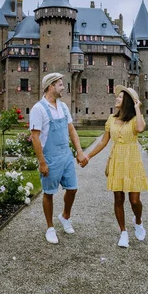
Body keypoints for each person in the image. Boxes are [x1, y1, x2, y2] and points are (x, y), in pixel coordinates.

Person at [82, 85, 148, 248]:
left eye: (120, 97)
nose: (116, 99)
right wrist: (88, 156)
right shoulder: (111, 118)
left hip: (132, 161)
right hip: (116, 161)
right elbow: (104, 141)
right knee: (118, 198)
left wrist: (137, 108)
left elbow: (140, 129)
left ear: (127, 100)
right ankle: (123, 232)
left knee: (134, 200)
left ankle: (138, 221)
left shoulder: (135, 119)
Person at [30, 73, 86, 244]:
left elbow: (71, 130)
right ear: (50, 86)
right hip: (50, 158)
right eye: (60, 85)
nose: (63, 87)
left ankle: (65, 216)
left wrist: (79, 151)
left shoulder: (63, 107)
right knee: (49, 193)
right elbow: (35, 137)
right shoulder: (38, 109)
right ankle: (50, 227)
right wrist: (42, 162)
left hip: (66, 155)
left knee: (73, 188)